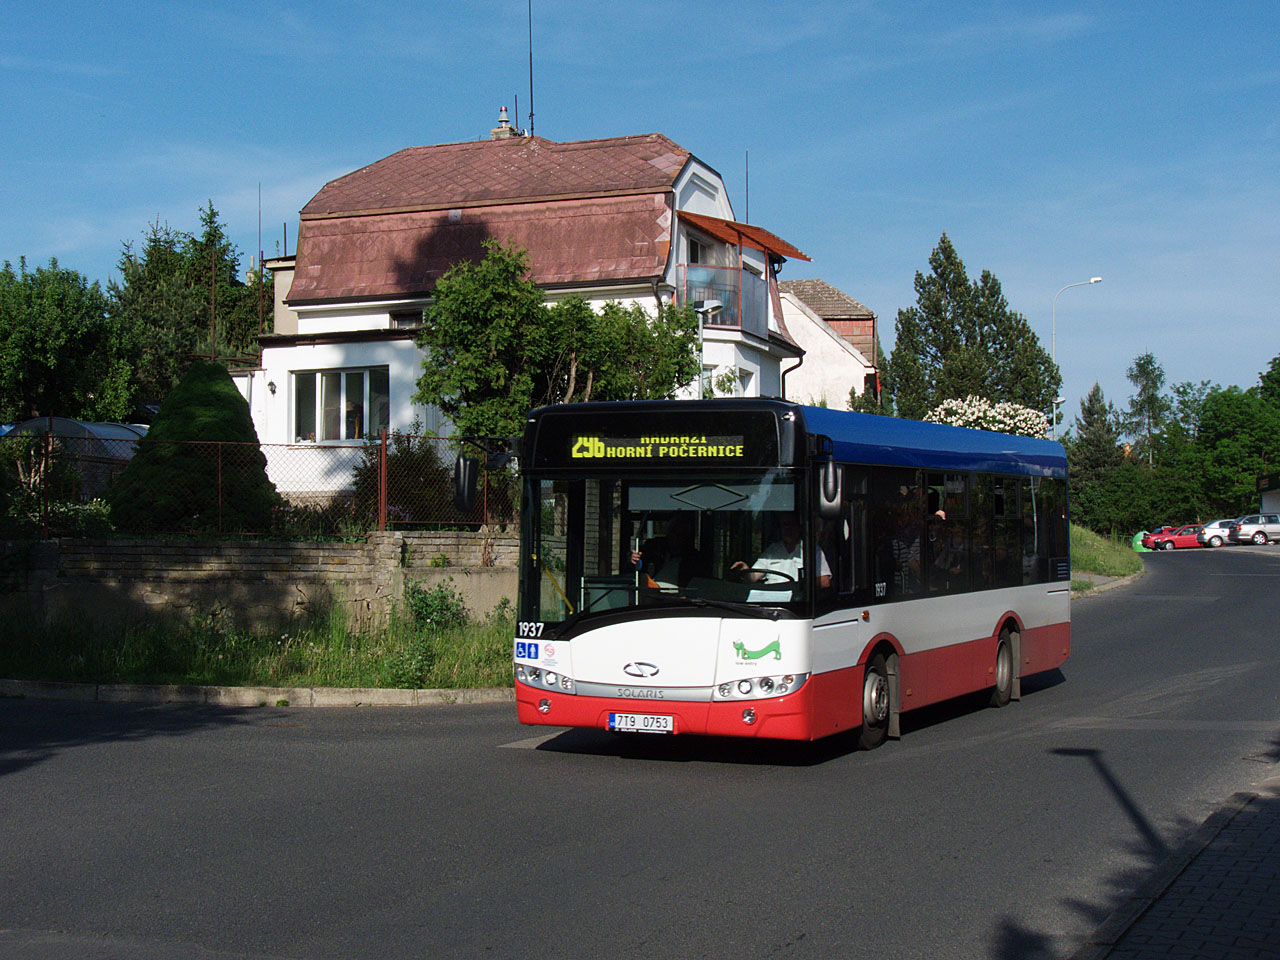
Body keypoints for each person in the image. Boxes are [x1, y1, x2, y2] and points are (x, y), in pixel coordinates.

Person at [731, 513, 831, 590]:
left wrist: (799, 585)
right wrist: (745, 570)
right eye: (785, 525)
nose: (788, 529)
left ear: (799, 528)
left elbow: (824, 582)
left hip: (796, 599)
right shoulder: (772, 550)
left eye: (791, 525)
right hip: (771, 597)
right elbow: (753, 577)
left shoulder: (812, 550)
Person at [630, 514, 709, 587]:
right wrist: (633, 558)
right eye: (674, 532)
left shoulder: (694, 558)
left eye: (682, 534)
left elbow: (698, 584)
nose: (678, 538)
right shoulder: (654, 548)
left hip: (677, 598)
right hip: (650, 595)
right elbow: (634, 567)